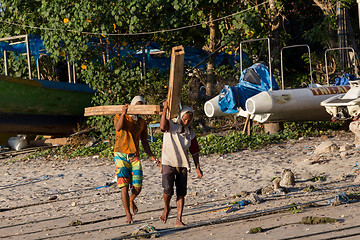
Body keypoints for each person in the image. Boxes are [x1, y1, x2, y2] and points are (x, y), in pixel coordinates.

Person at [114, 96, 160, 224]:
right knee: (124, 187)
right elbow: (118, 128)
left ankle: (130, 200)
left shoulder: (141, 122)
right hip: (121, 154)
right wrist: (123, 114)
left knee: (138, 186)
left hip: (134, 155)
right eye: (137, 106)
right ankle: (128, 215)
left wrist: (152, 156)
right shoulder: (120, 116)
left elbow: (144, 141)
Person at [159, 101, 203, 227]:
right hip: (168, 162)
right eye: (184, 119)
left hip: (183, 164)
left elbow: (194, 151)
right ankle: (167, 208)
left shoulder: (190, 133)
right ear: (180, 117)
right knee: (168, 190)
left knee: (181, 193)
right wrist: (165, 110)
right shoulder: (171, 125)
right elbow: (162, 127)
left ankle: (179, 218)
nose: (186, 122)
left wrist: (197, 167)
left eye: (189, 120)